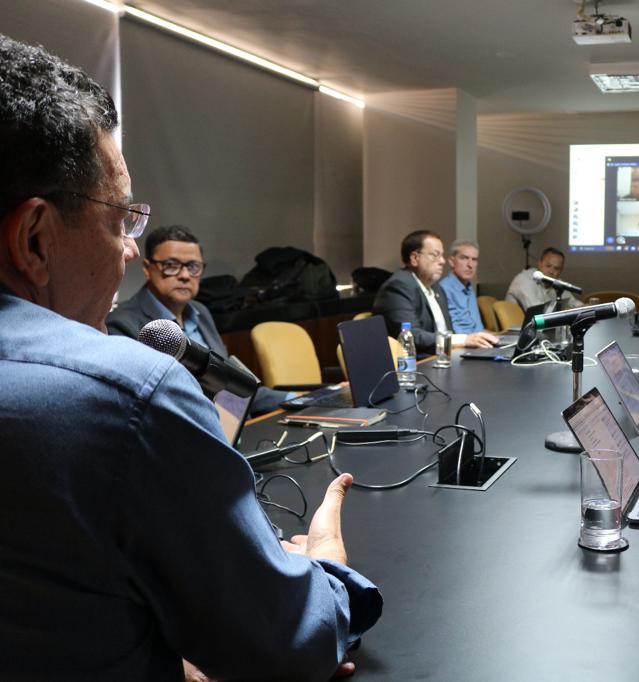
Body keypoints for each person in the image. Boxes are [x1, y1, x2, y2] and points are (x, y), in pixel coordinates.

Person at [0, 35, 380, 680]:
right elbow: (291, 644)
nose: (129, 250)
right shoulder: (125, 392)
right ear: (35, 238)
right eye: (121, 220)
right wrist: (325, 570)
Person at [107, 225, 290, 415]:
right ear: (147, 268)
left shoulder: (201, 312)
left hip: (232, 421)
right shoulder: (121, 324)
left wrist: (295, 399)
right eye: (171, 265)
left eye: (193, 267)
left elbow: (231, 385)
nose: (185, 276)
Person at [374, 230, 497, 355]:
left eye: (442, 255)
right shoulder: (398, 287)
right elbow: (413, 336)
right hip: (419, 363)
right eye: (435, 255)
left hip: (446, 356)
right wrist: (464, 340)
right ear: (415, 258)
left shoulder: (436, 288)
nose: (442, 261)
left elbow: (447, 330)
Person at [505, 246, 583, 311]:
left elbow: (576, 304)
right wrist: (567, 310)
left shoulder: (557, 284)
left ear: (561, 270)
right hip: (518, 324)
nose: (551, 271)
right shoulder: (524, 279)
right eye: (548, 266)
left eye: (556, 268)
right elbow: (536, 311)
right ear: (539, 263)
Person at [438, 239, 486, 334]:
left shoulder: (469, 288)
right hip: (462, 341)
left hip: (477, 339)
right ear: (451, 262)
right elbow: (453, 331)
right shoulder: (444, 289)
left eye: (474, 259)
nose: (470, 265)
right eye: (464, 258)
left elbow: (478, 329)